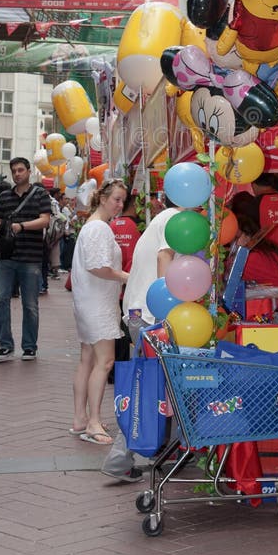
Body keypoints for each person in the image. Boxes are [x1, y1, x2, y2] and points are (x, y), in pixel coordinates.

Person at [101, 198, 179, 482]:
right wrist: (166, 308)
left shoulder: (161, 220)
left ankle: (154, 449)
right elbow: (164, 258)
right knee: (148, 388)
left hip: (138, 311)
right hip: (150, 314)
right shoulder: (174, 221)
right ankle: (121, 457)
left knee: (149, 384)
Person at [70, 178, 129, 445]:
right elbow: (98, 267)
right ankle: (92, 422)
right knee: (103, 362)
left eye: (122, 201)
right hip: (97, 304)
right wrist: (128, 276)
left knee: (88, 360)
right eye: (116, 199)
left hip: (90, 301)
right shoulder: (99, 228)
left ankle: (82, 419)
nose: (120, 205)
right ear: (103, 198)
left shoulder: (94, 227)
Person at [0, 157, 51, 362]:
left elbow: (45, 220)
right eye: (14, 171)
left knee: (30, 304)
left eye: (20, 170)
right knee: (0, 299)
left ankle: (29, 346)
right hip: (6, 257)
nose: (17, 174)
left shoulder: (40, 194)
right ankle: (5, 345)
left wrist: (22, 226)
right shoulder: (5, 196)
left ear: (28, 171)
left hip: (31, 257)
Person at [230, 191, 278, 309]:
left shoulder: (250, 259)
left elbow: (231, 278)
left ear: (248, 235)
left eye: (236, 238)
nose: (233, 243)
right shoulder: (265, 251)